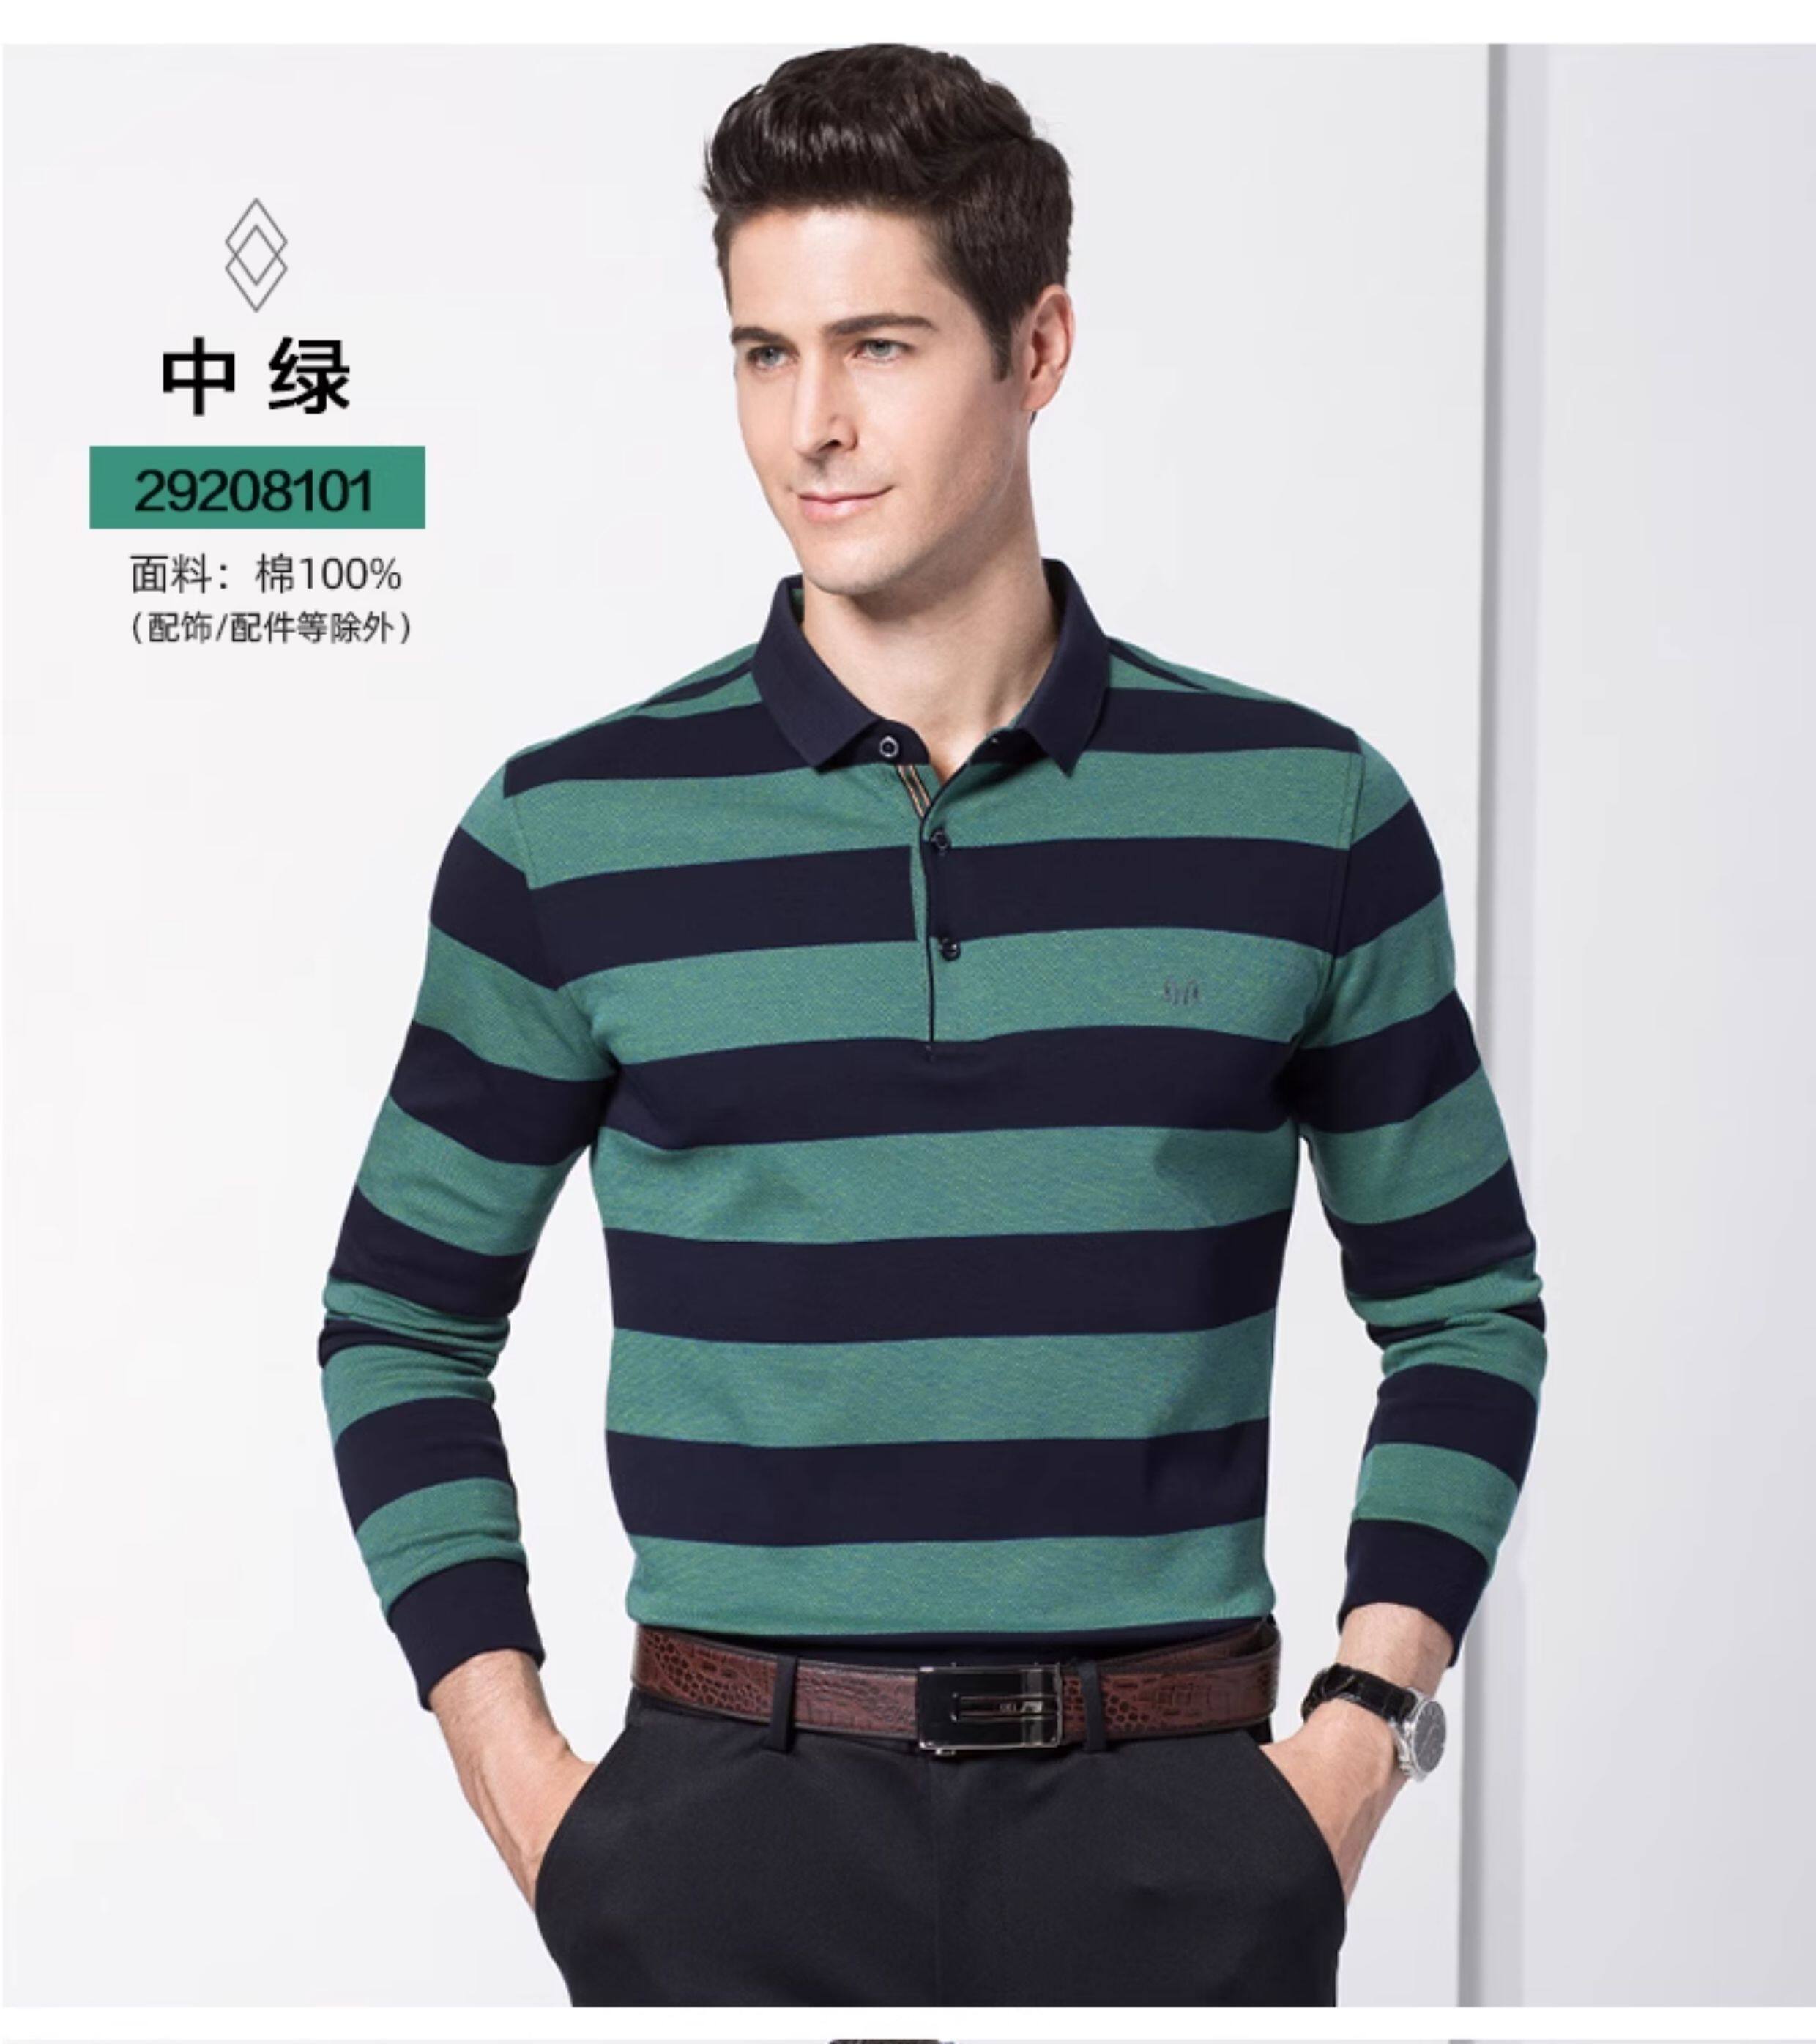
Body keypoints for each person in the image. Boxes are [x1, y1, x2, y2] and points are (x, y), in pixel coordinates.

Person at [318, 40, 1547, 2009]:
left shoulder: (1306, 814)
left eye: (878, 347)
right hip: (722, 1831)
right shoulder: (569, 833)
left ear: (1035, 347)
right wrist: (527, 1787)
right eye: (763, 353)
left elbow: (1468, 1308)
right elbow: (399, 1320)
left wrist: (1353, 1747)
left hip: (1177, 1832)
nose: (811, 425)